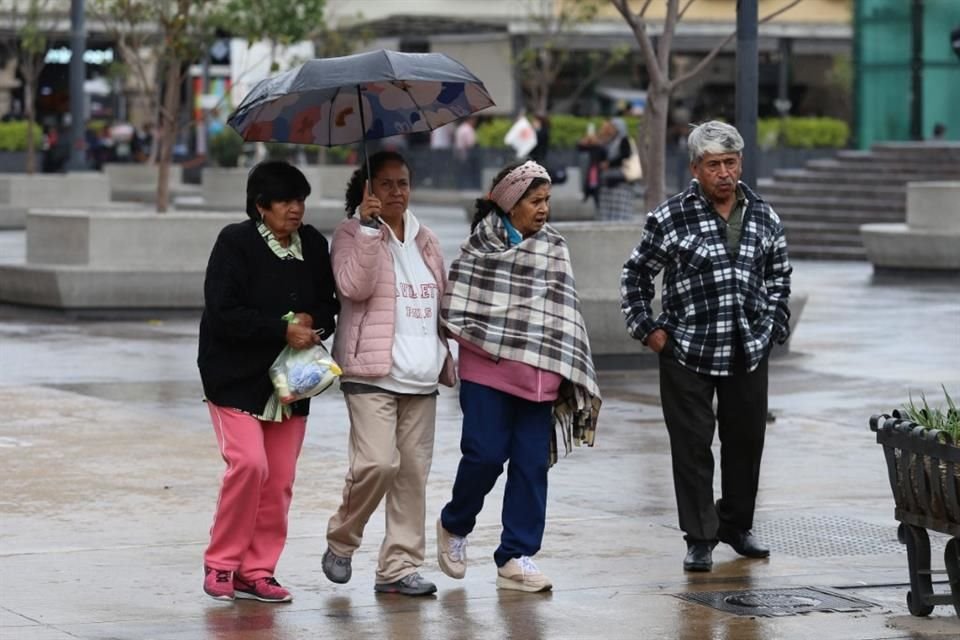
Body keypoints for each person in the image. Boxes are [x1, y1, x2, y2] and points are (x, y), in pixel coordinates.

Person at [620, 121, 792, 573]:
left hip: (747, 348)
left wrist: (773, 322)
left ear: (740, 164)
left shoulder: (763, 215)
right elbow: (635, 275)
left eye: (730, 163)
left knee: (746, 441)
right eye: (713, 165)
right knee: (693, 446)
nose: (723, 173)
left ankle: (736, 525)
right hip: (686, 351)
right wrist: (648, 329)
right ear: (695, 168)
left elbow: (779, 275)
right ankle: (700, 536)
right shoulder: (670, 217)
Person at [436, 160, 602, 593]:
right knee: (485, 455)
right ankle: (454, 524)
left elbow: (564, 316)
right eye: (535, 200)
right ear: (511, 203)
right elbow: (459, 308)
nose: (543, 209)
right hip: (487, 371)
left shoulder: (554, 247)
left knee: (531, 467)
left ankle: (516, 556)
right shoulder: (479, 249)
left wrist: (565, 366)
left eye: (547, 200)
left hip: (540, 377)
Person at [198, 160, 339, 603]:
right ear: (261, 206)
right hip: (235, 378)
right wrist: (281, 329)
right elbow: (223, 312)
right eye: (285, 201)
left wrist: (312, 319)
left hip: (292, 381)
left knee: (278, 479)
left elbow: (328, 302)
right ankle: (222, 563)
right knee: (249, 466)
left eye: (300, 200)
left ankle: (257, 570)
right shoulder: (234, 243)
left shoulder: (313, 244)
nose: (295, 209)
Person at [322, 150, 455, 597]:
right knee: (378, 464)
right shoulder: (348, 234)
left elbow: (443, 302)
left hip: (421, 377)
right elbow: (352, 287)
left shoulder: (427, 240)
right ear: (368, 190)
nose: (396, 192)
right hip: (370, 373)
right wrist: (365, 230)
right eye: (385, 184)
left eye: (402, 183)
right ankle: (342, 540)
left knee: (411, 476)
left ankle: (399, 568)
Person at [578, 118, 634, 220]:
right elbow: (588, 150)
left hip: (619, 180)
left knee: (620, 211)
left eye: (613, 127)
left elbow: (626, 156)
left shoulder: (623, 140)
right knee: (605, 210)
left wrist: (610, 164)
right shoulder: (606, 140)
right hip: (605, 180)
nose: (610, 129)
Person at [454, 116, 478, 189]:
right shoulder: (468, 129)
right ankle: (469, 187)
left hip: (458, 153)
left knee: (461, 172)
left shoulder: (460, 128)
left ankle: (460, 186)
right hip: (467, 154)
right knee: (468, 172)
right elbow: (471, 143)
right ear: (470, 119)